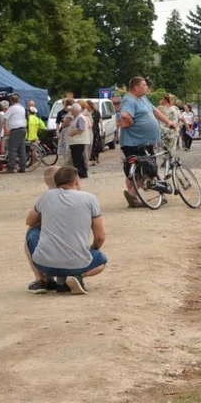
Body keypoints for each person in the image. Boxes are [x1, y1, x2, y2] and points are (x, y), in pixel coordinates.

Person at [25, 165, 107, 295]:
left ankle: (41, 279)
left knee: (32, 231)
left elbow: (30, 221)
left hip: (44, 264)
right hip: (78, 264)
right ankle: (78, 277)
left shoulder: (46, 196)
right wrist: (93, 249)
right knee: (101, 260)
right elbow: (100, 237)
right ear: (77, 181)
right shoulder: (90, 199)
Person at [118, 76, 177, 208]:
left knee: (148, 168)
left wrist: (168, 122)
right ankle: (133, 195)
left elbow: (154, 110)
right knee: (137, 169)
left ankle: (137, 194)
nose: (147, 87)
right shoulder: (129, 100)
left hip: (145, 141)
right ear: (136, 87)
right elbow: (124, 114)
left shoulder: (142, 98)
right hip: (133, 141)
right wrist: (128, 121)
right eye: (144, 85)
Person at [65, 103, 92, 179]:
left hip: (78, 141)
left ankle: (81, 173)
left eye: (72, 110)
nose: (71, 112)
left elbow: (81, 129)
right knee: (77, 158)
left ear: (75, 110)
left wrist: (72, 134)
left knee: (78, 158)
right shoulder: (77, 117)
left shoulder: (80, 117)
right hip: (76, 141)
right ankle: (81, 172)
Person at [4, 93, 27, 174]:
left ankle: (11, 167)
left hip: (15, 129)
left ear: (11, 100)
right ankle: (22, 167)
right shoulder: (22, 108)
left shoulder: (12, 108)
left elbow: (5, 117)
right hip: (23, 128)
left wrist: (6, 128)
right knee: (22, 148)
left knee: (12, 149)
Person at [85, 100, 103, 165]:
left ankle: (96, 157)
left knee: (96, 144)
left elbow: (100, 119)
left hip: (95, 130)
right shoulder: (85, 112)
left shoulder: (96, 112)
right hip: (88, 130)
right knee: (90, 145)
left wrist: (102, 127)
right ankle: (92, 159)